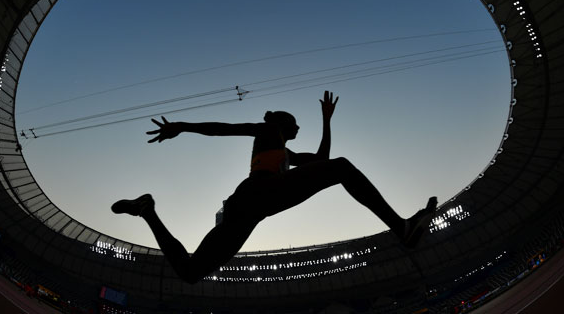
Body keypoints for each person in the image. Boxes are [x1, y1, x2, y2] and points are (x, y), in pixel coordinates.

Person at [112, 91, 436, 284]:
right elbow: (224, 129)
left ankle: (147, 211)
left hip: (246, 210)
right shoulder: (268, 130)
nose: (298, 126)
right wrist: (182, 127)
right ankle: (402, 227)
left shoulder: (285, 152)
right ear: (281, 121)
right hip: (259, 193)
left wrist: (327, 121)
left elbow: (320, 159)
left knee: (190, 271)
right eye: (294, 122)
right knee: (341, 167)